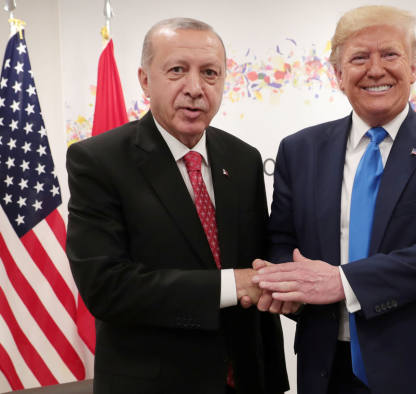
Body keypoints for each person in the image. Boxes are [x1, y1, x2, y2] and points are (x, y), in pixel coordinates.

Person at [253, 5, 416, 394]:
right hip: (329, 370)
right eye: (359, 58)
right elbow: (282, 240)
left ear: (414, 67)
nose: (376, 69)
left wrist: (343, 282)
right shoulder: (299, 150)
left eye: (390, 54)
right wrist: (291, 287)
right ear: (338, 75)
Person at [66, 18, 288, 394]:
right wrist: (234, 283)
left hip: (247, 380)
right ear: (145, 79)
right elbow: (106, 287)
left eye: (210, 73)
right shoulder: (98, 161)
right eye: (177, 71)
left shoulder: (244, 158)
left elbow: (258, 262)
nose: (195, 89)